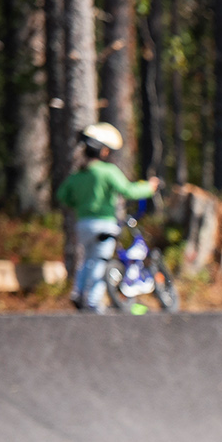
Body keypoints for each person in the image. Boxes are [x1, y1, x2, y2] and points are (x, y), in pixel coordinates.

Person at [56, 122, 160, 313]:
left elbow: (62, 196)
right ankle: (94, 302)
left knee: (87, 259)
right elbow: (128, 190)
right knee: (100, 260)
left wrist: (79, 203)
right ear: (103, 151)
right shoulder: (107, 172)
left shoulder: (79, 174)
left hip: (83, 224)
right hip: (104, 223)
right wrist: (149, 187)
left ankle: (78, 293)